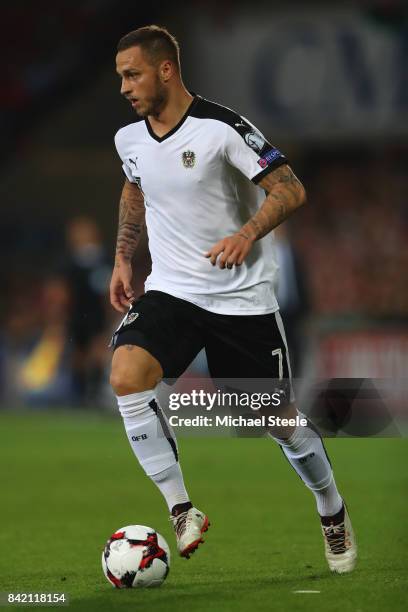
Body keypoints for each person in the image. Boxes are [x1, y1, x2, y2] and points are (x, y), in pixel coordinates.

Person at [109, 25, 357, 572]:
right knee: (127, 374)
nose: (124, 87)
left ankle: (331, 507)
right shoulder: (130, 138)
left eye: (133, 74)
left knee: (274, 417)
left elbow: (290, 188)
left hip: (240, 298)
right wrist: (125, 257)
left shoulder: (222, 129)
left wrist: (246, 234)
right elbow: (135, 184)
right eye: (121, 77)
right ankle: (181, 511)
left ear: (166, 70)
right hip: (173, 289)